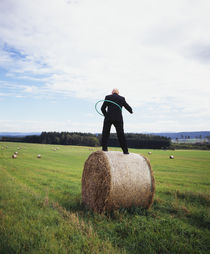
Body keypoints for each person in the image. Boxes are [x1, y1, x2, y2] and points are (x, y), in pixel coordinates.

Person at [101, 88, 133, 154]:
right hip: (118, 119)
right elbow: (128, 107)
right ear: (118, 93)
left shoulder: (108, 97)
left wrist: (106, 115)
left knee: (105, 133)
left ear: (112, 92)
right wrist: (131, 111)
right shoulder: (122, 98)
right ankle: (125, 151)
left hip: (108, 118)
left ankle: (104, 149)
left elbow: (102, 108)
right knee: (121, 134)